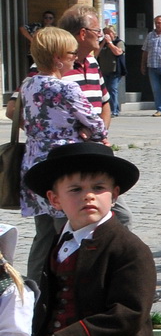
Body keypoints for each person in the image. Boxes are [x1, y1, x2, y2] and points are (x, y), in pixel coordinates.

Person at [0, 144, 157, 336]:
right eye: (75, 189)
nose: (88, 195)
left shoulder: (129, 248)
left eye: (98, 188)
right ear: (54, 199)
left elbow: (129, 313)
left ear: (115, 194)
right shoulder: (61, 241)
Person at [11, 28, 107, 281]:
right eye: (71, 54)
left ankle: (34, 289)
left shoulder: (28, 84)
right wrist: (86, 129)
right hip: (61, 167)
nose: (75, 59)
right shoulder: (66, 88)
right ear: (57, 57)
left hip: (33, 165)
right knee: (68, 232)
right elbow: (97, 124)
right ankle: (66, 286)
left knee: (43, 235)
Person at [97, 25, 126, 113]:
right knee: (105, 90)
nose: (106, 35)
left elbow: (118, 52)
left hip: (115, 70)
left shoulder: (118, 42)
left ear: (113, 33)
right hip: (103, 70)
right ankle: (110, 109)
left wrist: (110, 43)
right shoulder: (101, 43)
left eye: (108, 33)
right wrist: (103, 43)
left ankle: (114, 110)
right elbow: (96, 54)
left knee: (112, 89)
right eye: (105, 33)